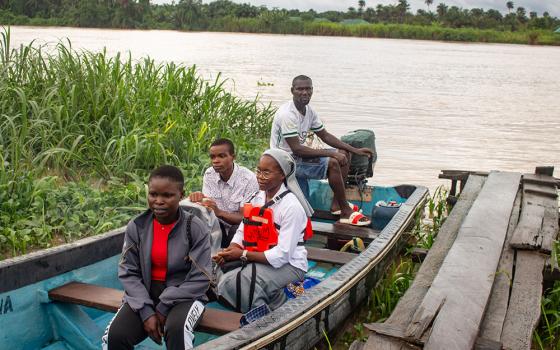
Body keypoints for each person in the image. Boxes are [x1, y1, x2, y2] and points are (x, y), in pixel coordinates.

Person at [103, 165, 212, 350]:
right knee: (115, 336)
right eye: (153, 194)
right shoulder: (137, 226)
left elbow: (201, 278)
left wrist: (163, 307)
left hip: (185, 295)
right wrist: (146, 311)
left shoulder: (194, 228)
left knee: (178, 330)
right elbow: (128, 271)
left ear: (181, 194)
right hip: (145, 292)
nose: (158, 201)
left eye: (167, 195)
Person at [214, 149, 314, 313]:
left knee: (248, 280)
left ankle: (266, 311)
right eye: (258, 171)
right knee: (219, 269)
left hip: (290, 264)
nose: (260, 176)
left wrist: (242, 255)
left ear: (282, 175)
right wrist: (232, 248)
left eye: (266, 172)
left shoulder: (291, 207)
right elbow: (243, 229)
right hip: (259, 255)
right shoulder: (257, 197)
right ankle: (271, 298)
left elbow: (283, 255)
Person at [270, 75, 374, 226]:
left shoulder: (309, 111)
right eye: (300, 89)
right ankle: (345, 212)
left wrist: (354, 150)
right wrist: (331, 153)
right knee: (332, 162)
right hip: (283, 161)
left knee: (344, 153)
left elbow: (324, 135)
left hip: (295, 157)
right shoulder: (288, 114)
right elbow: (297, 149)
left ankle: (337, 204)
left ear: (312, 90)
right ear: (292, 91)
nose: (304, 92)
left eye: (308, 89)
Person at [189, 138, 259, 248]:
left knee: (236, 229)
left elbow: (245, 219)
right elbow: (207, 207)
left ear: (233, 157)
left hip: (239, 230)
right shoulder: (209, 174)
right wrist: (199, 198)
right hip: (217, 225)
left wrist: (219, 212)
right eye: (212, 157)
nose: (215, 161)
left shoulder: (248, 179)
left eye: (221, 156)